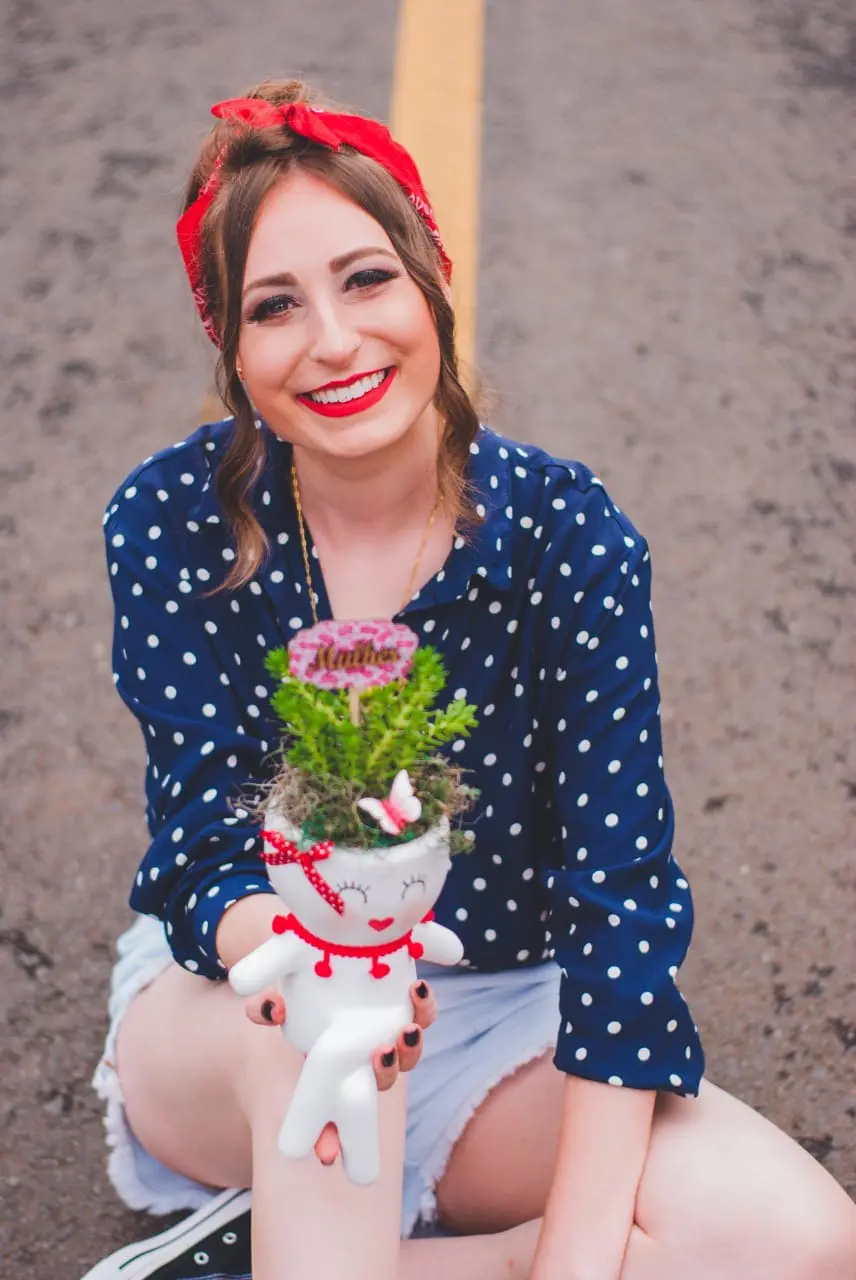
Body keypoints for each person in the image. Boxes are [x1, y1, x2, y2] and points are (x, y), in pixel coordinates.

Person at [84, 80, 856, 1280]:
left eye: (366, 278)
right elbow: (197, 840)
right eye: (274, 306)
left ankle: (304, 1258)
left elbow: (621, 906)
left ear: (432, 281)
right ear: (232, 353)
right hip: (248, 1015)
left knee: (795, 1241)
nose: (333, 341)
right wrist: (305, 960)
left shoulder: (567, 537)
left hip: (501, 1019)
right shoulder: (176, 520)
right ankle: (303, 1218)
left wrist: (574, 1261)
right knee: (335, 1017)